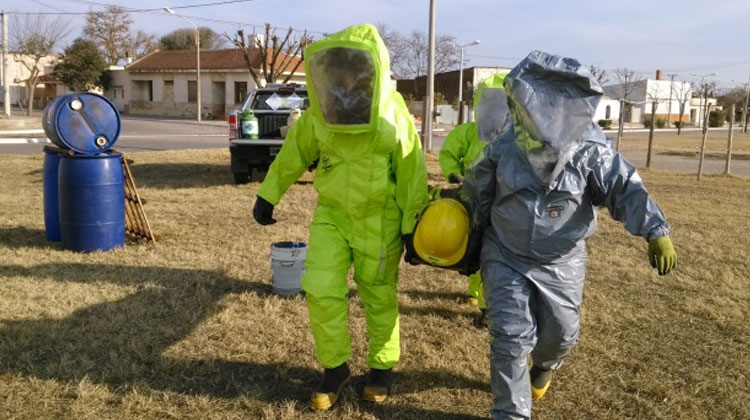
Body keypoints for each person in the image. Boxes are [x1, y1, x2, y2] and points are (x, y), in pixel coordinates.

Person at [461, 50, 676, 420]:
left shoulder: (591, 152)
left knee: (560, 335)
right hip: (506, 254)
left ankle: (546, 364)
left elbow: (625, 188)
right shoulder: (504, 147)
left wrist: (655, 230)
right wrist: (467, 237)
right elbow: (477, 193)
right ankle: (510, 413)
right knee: (510, 339)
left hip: (561, 261)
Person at [252, 24, 429, 410]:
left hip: (378, 220)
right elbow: (294, 152)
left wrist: (412, 227)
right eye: (339, 70)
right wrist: (268, 195)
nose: (346, 78)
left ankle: (382, 367)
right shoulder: (322, 112)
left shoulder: (392, 114)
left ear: (370, 70)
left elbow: (412, 174)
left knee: (378, 296)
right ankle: (335, 368)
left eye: (353, 69)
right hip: (332, 215)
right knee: (320, 288)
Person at [439, 73, 511, 322]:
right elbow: (449, 153)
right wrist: (452, 174)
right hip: (473, 196)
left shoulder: (515, 136)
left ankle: (486, 304)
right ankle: (477, 295)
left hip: (504, 199)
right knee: (475, 245)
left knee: (493, 250)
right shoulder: (468, 132)